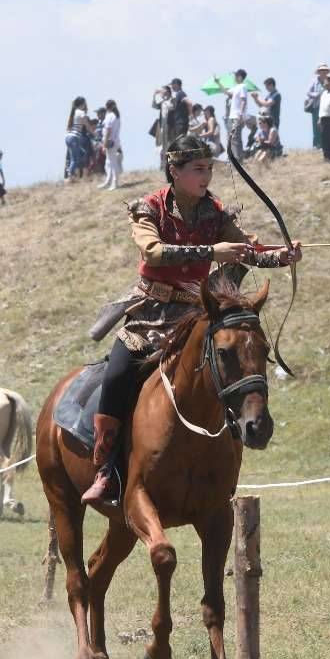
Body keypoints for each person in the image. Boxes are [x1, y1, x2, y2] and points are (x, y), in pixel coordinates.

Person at [79, 134, 303, 510]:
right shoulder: (149, 207)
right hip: (149, 314)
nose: (206, 176)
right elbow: (153, 251)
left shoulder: (214, 211)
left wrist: (282, 255)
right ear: (175, 171)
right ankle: (106, 470)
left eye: (210, 169)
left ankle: (224, 460)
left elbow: (245, 250)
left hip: (194, 315)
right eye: (198, 169)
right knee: (117, 376)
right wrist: (211, 251)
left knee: (224, 372)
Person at [220, 69, 255, 160]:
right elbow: (226, 93)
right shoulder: (236, 87)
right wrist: (218, 83)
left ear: (240, 77)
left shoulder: (243, 87)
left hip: (237, 116)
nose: (234, 77)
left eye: (235, 75)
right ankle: (237, 158)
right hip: (233, 116)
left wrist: (240, 114)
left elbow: (244, 100)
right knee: (233, 138)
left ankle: (238, 158)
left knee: (236, 138)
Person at [306, 64, 330, 149]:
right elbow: (308, 93)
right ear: (319, 72)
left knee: (327, 127)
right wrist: (316, 95)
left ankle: (326, 145)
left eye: (325, 70)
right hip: (316, 107)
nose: (323, 72)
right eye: (321, 70)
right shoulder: (314, 82)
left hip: (328, 108)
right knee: (316, 127)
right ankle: (317, 145)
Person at [65, 97, 91, 181]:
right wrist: (94, 133)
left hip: (69, 137)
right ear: (82, 104)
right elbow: (87, 126)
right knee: (74, 159)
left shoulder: (74, 113)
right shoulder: (81, 112)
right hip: (74, 138)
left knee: (82, 154)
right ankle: (70, 176)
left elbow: (69, 128)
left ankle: (74, 174)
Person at [100, 99, 123, 191]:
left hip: (110, 142)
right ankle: (109, 181)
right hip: (115, 141)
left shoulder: (109, 116)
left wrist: (104, 144)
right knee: (109, 162)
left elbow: (108, 131)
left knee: (112, 162)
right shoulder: (116, 116)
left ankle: (114, 182)